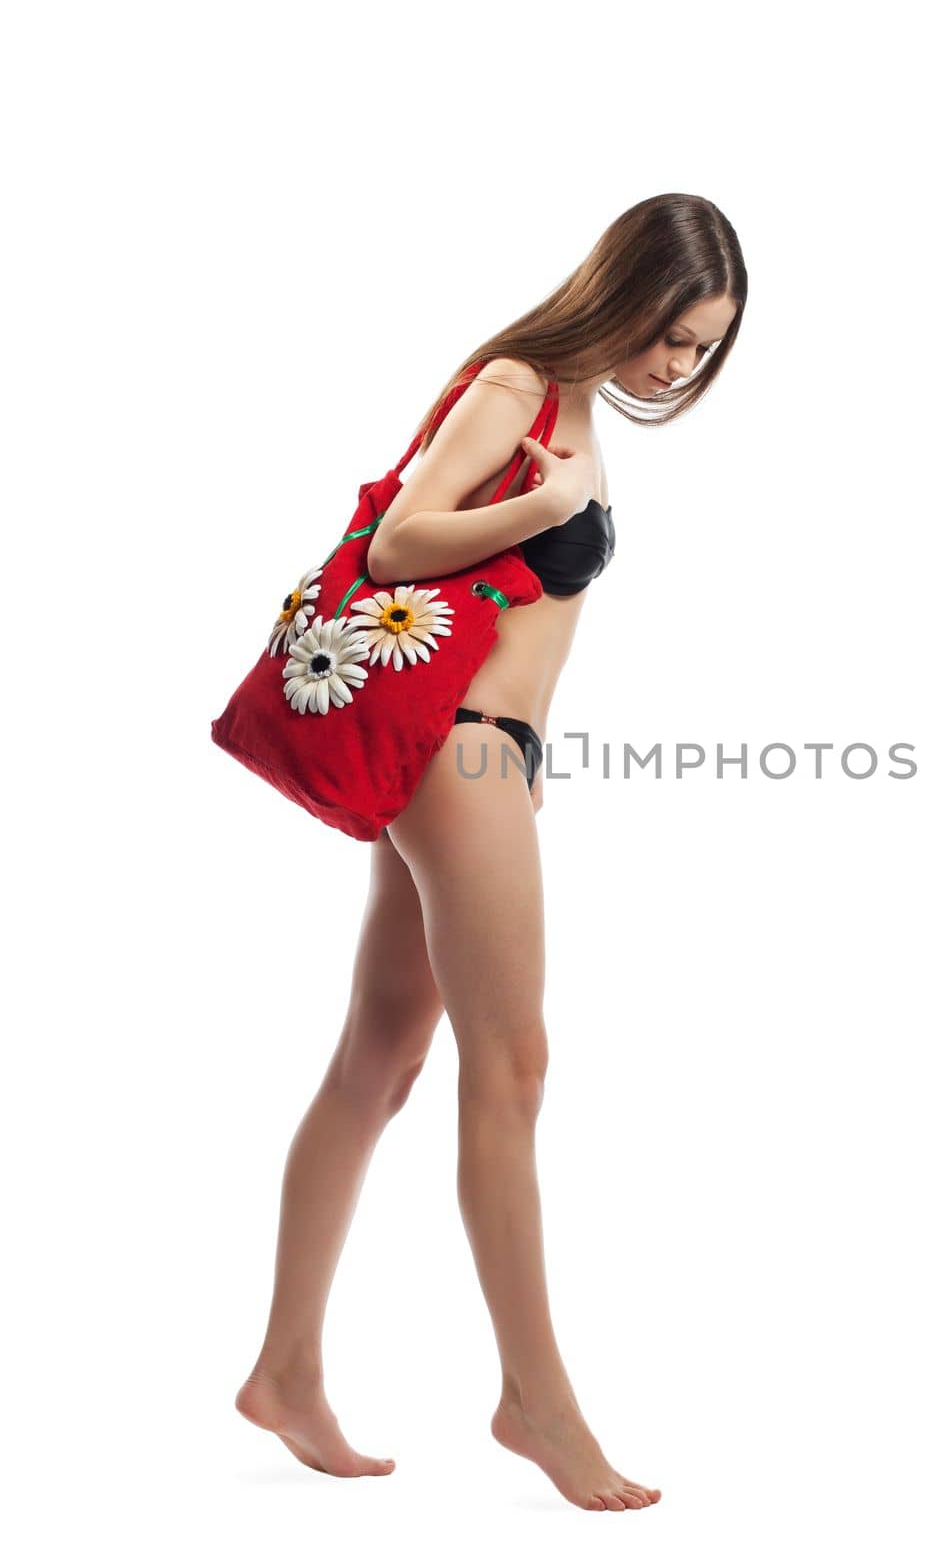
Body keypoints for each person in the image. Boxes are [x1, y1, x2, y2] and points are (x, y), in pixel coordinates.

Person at [234, 193, 745, 1512]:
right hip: (452, 747)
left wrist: (529, 762)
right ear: (623, 291)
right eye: (672, 338)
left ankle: (285, 1372)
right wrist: (546, 509)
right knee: (509, 1063)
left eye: (701, 353)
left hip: (489, 760)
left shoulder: (570, 413)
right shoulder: (514, 383)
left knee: (382, 1054)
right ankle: (534, 1401)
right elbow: (404, 536)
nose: (676, 370)